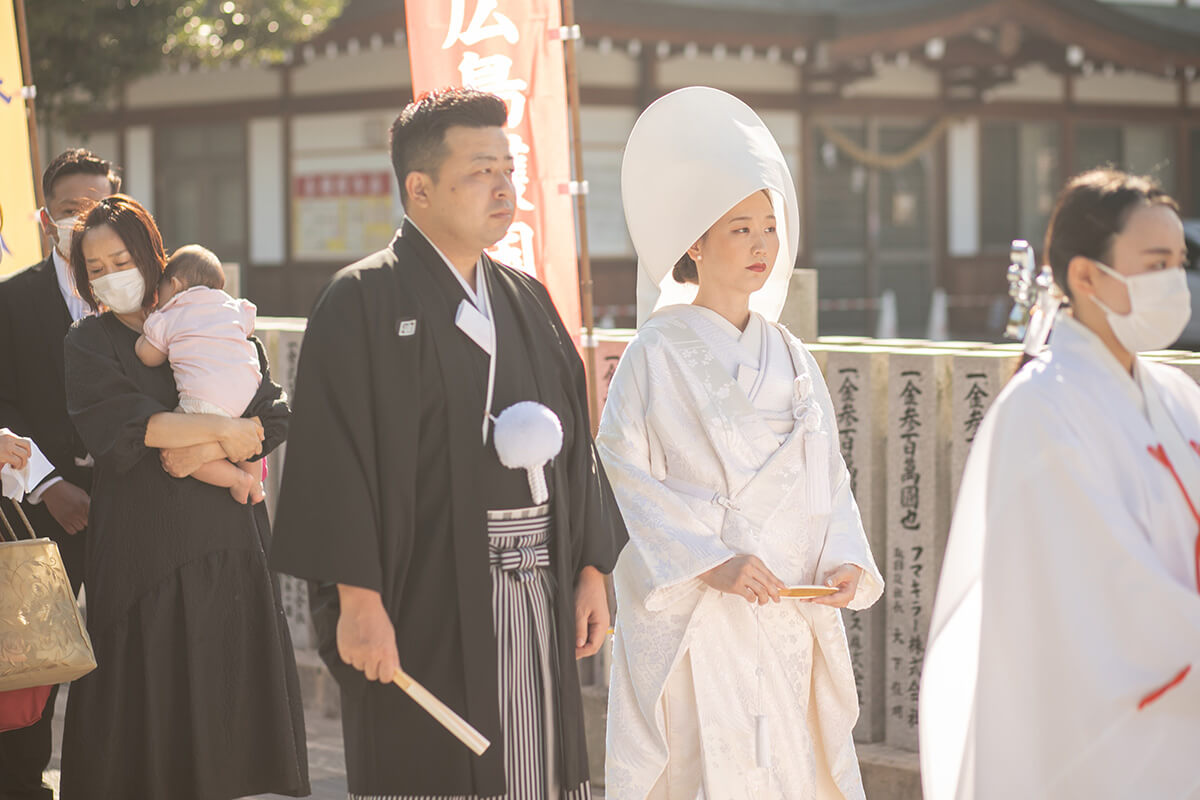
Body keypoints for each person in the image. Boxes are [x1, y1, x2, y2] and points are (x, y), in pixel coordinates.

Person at [270, 88, 627, 799]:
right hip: (420, 592)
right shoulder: (361, 301)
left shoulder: (526, 296)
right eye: (480, 171)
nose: (504, 187)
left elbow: (574, 446)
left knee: (538, 763)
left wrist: (593, 568)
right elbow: (334, 464)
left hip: (539, 579)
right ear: (420, 188)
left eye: (509, 168)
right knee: (431, 763)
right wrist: (358, 603)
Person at [598, 87, 884, 800]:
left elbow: (829, 478)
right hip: (706, 602)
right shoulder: (655, 351)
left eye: (769, 227)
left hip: (788, 598)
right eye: (739, 230)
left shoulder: (790, 353)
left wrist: (845, 559)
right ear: (694, 241)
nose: (761, 245)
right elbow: (623, 465)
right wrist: (709, 559)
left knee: (788, 767)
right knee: (711, 765)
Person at [919, 168, 1200, 799]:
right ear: (1085, 275)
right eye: (1155, 263)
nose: (1175, 282)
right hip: (1098, 729)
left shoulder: (1180, 398)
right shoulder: (1041, 411)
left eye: (1181, 262)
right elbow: (1107, 588)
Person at [60, 194, 309, 799]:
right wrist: (224, 432)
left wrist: (204, 444)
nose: (111, 275)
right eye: (95, 269)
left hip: (227, 544)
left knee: (224, 706)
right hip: (141, 554)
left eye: (120, 258)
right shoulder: (89, 342)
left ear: (151, 254)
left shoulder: (210, 315)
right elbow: (134, 428)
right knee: (142, 718)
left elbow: (272, 418)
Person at [0, 148, 116, 799]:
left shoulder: (140, 297)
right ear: (47, 218)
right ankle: (24, 784)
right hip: (34, 519)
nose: (83, 220)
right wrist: (49, 483)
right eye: (70, 209)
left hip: (129, 513)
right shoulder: (11, 300)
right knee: (28, 671)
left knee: (123, 663)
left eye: (96, 208)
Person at [136, 244, 265, 504]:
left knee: (177, 450)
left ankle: (239, 480)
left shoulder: (171, 313)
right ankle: (258, 483)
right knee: (250, 430)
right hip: (248, 389)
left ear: (173, 284)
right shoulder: (231, 305)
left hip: (205, 399)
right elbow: (248, 327)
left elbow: (148, 357)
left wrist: (146, 330)